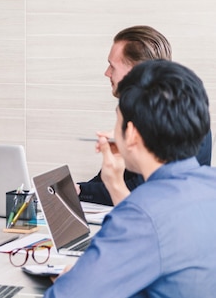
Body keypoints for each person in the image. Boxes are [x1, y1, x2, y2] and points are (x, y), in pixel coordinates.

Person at [45, 59, 216, 297]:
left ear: (132, 133)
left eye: (118, 120)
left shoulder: (141, 216)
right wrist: (114, 182)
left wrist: (70, 280)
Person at [77, 25, 211, 205]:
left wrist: (85, 189)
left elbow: (142, 188)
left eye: (112, 66)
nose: (107, 73)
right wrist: (78, 188)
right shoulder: (158, 110)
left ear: (136, 70)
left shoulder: (170, 118)